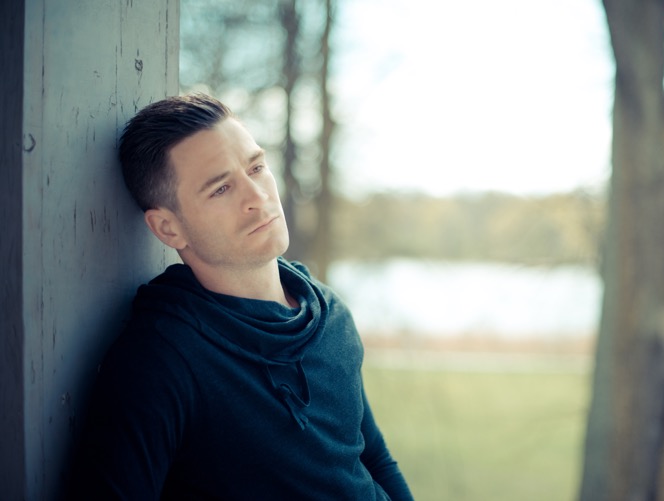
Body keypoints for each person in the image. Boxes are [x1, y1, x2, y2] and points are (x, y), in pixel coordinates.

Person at [71, 93, 413, 500]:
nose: (258, 197)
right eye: (221, 189)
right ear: (168, 228)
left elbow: (373, 459)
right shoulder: (158, 363)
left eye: (256, 168)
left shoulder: (329, 313)